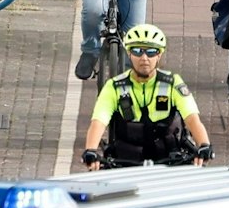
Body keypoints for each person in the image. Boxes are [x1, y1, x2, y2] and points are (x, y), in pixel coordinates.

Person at [81, 25, 214, 168]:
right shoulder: (113, 86)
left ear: (159, 55)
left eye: (151, 52)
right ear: (129, 53)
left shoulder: (173, 83)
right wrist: (91, 150)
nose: (144, 58)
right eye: (137, 51)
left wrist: (204, 145)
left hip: (170, 162)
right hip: (126, 163)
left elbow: (192, 119)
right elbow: (98, 123)